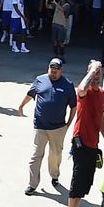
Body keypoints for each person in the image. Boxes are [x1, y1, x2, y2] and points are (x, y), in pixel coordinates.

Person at [18, 59, 77, 198]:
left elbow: (74, 106)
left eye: (56, 70)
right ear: (48, 68)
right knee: (36, 155)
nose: (53, 72)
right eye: (51, 69)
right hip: (40, 126)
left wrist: (68, 124)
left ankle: (54, 175)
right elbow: (30, 94)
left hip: (58, 128)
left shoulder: (68, 85)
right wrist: (21, 106)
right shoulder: (40, 80)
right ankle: (32, 184)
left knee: (55, 155)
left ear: (61, 71)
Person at [65, 63, 104, 207]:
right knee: (77, 181)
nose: (97, 75)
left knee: (85, 183)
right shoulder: (85, 91)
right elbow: (81, 87)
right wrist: (91, 71)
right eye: (94, 72)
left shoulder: (102, 93)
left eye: (99, 72)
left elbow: (101, 117)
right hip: (81, 142)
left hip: (93, 143)